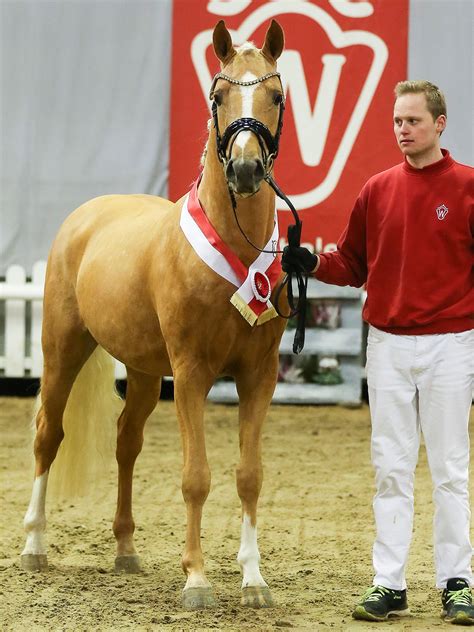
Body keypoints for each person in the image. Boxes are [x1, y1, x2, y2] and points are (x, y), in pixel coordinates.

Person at [282, 80, 473, 625]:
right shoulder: (376, 190)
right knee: (390, 468)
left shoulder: (467, 188)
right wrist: (313, 264)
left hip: (451, 344)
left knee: (449, 469)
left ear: (440, 123)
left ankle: (457, 583)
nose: (402, 130)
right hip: (387, 345)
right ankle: (389, 583)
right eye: (396, 122)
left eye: (412, 121)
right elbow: (352, 264)